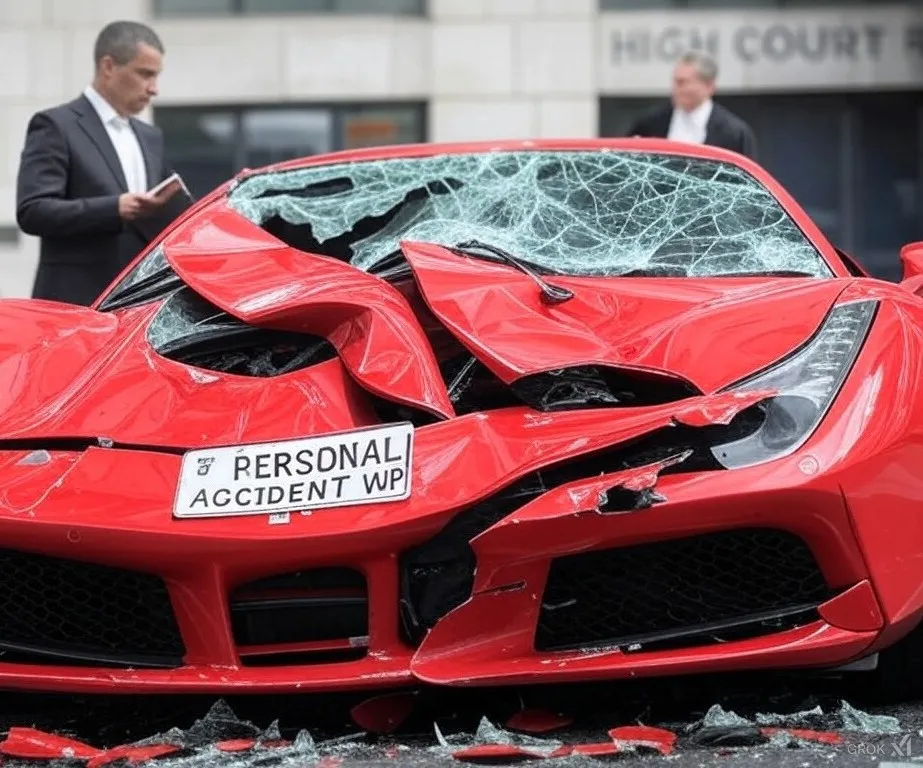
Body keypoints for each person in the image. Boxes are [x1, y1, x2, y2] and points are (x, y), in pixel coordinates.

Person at [16, 20, 191, 306]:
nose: (154, 88)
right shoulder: (55, 126)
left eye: (156, 76)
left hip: (139, 307)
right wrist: (114, 208)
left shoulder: (150, 137)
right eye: (145, 74)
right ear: (108, 66)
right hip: (74, 306)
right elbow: (33, 211)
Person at [627, 51, 757, 160]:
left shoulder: (734, 134)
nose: (676, 88)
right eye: (675, 81)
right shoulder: (649, 125)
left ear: (709, 86)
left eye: (683, 82)